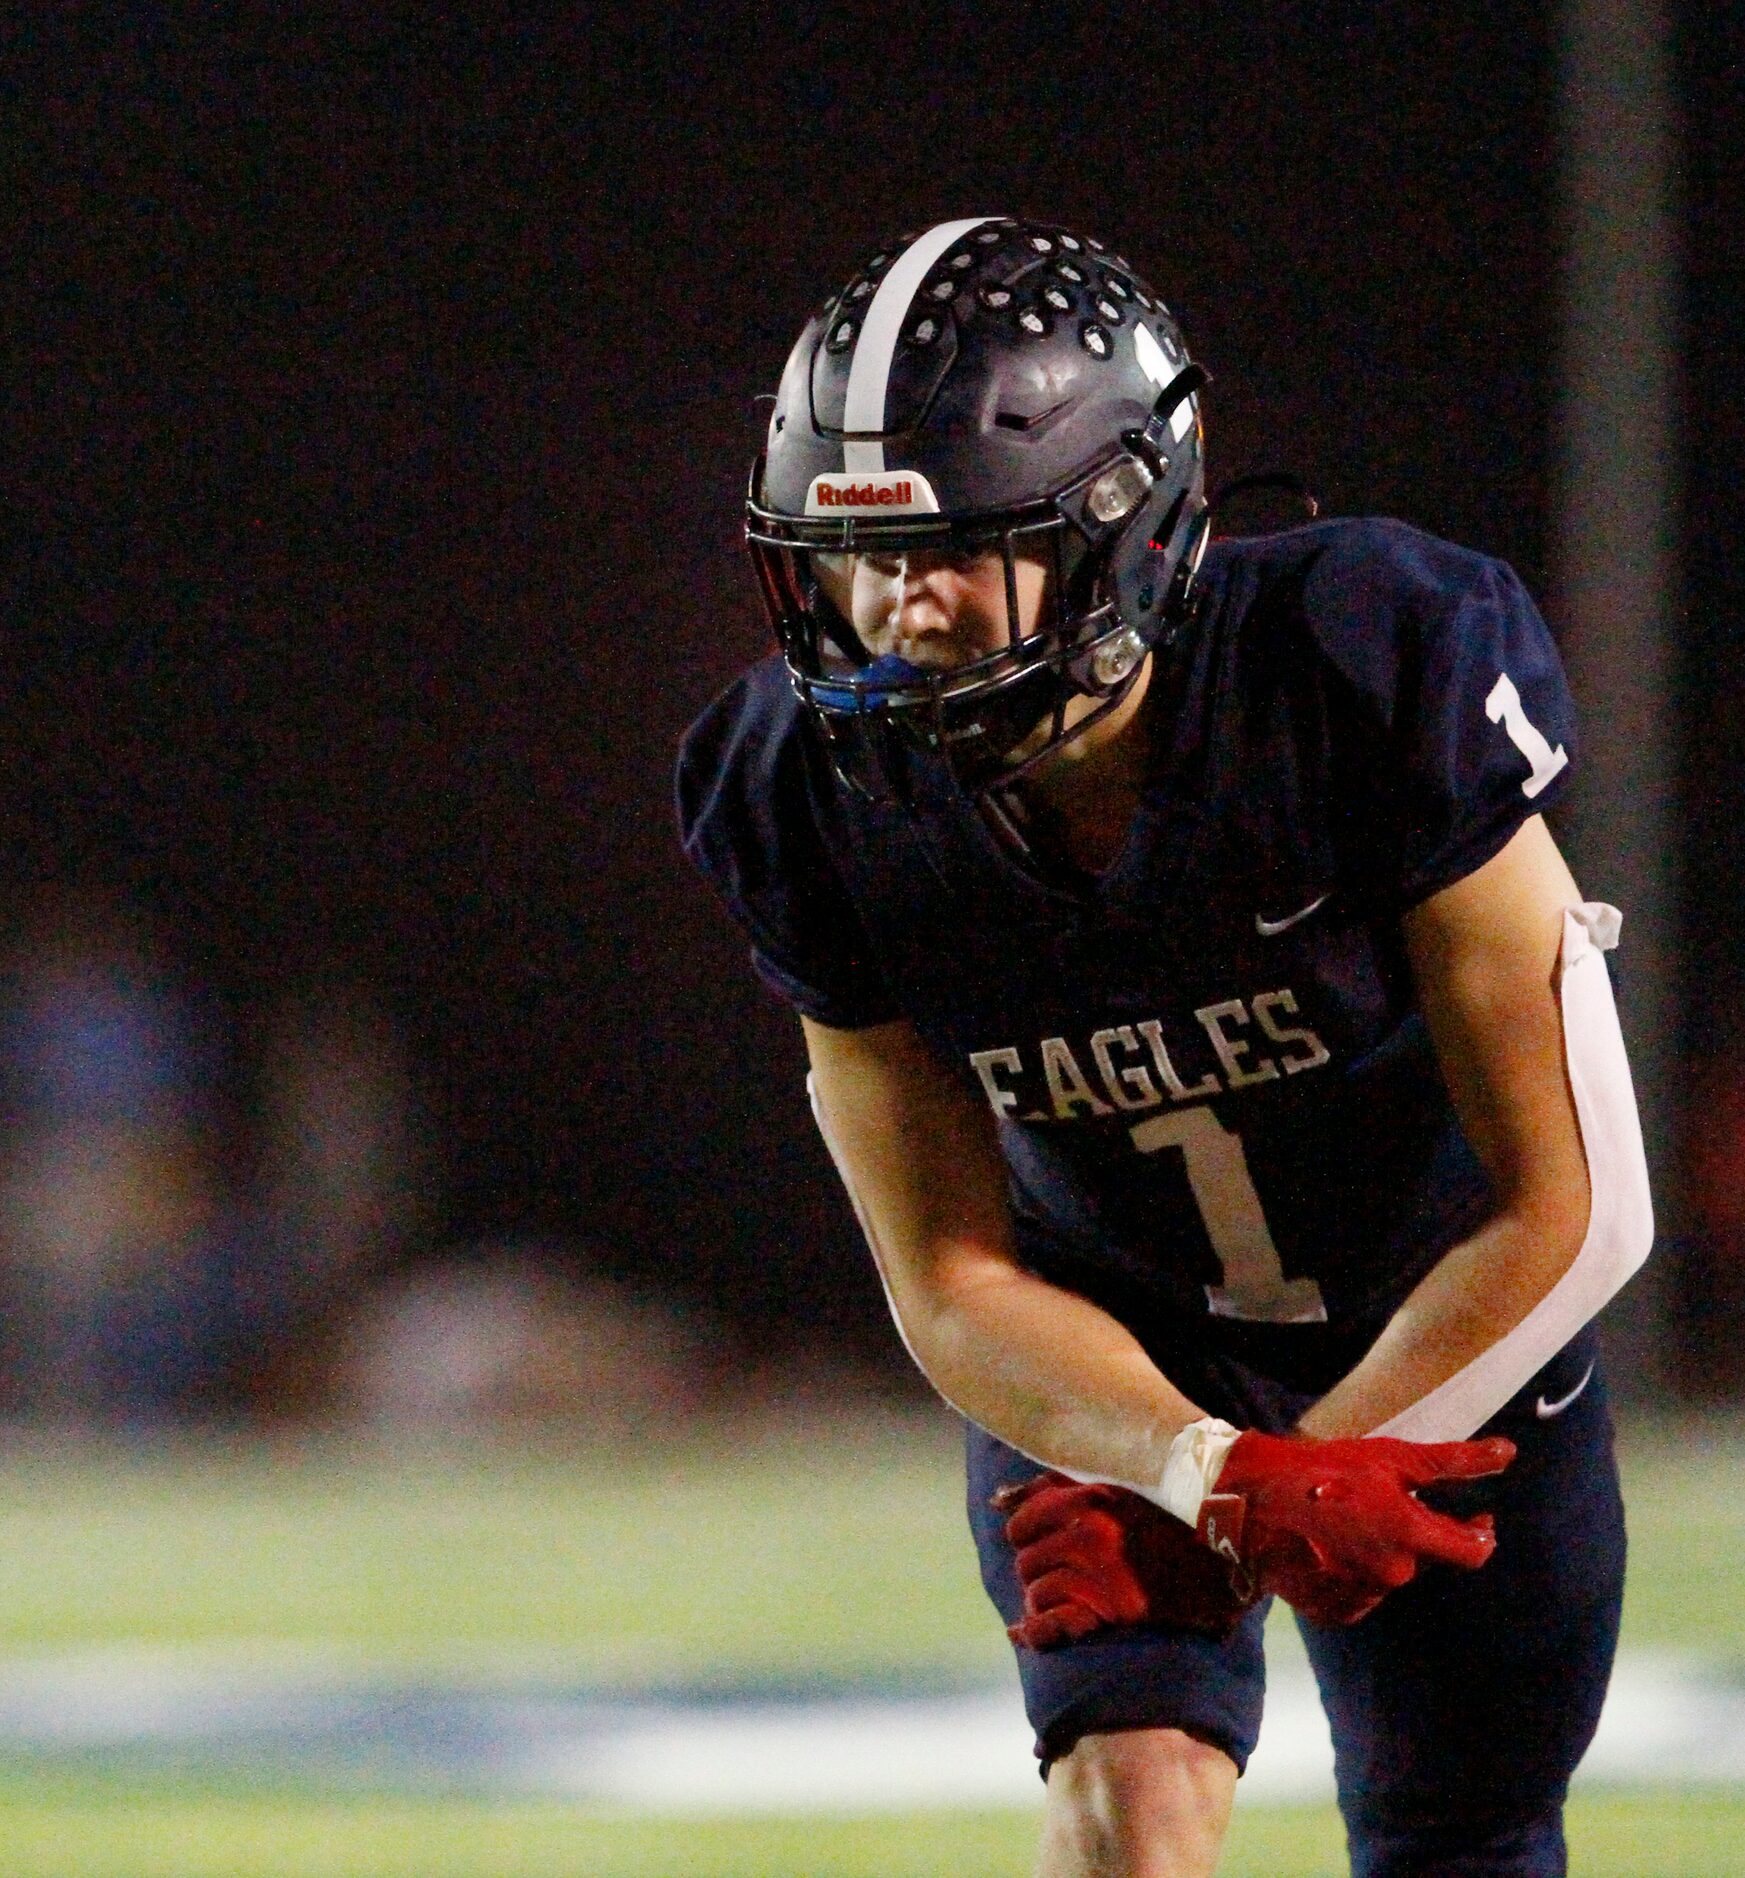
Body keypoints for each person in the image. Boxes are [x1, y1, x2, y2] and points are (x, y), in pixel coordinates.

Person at [677, 217, 1649, 1877]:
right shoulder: (797, 786)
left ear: (1123, 528)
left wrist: (1308, 1472)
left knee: (1458, 1833)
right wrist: (1197, 1470)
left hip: (1442, 1321)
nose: (893, 611)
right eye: (851, 558)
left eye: (951, 548)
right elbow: (949, 1278)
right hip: (1113, 1344)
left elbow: (1575, 1202)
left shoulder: (1368, 658)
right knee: (1128, 1810)